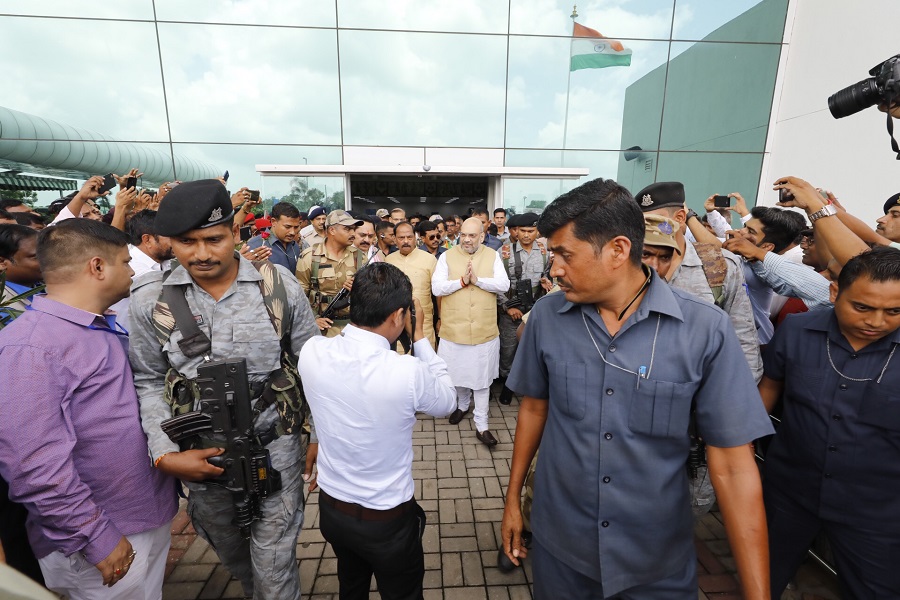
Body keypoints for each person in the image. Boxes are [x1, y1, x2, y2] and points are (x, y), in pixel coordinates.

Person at [501, 178, 773, 600]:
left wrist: (758, 593)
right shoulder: (547, 318)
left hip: (656, 563)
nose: (554, 268)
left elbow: (735, 467)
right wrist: (513, 499)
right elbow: (535, 409)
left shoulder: (704, 329)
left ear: (617, 250)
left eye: (564, 254)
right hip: (562, 554)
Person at [128, 180, 320, 600]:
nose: (201, 254)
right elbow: (146, 379)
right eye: (186, 242)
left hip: (275, 451)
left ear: (235, 233)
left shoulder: (278, 287)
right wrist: (165, 452)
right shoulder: (149, 302)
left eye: (213, 239)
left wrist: (320, 437)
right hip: (202, 459)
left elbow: (315, 366)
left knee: (273, 564)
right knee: (234, 556)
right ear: (167, 242)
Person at [0, 219, 178, 599]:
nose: (133, 271)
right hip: (104, 534)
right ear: (97, 267)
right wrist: (95, 535)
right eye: (126, 262)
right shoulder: (31, 348)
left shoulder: (95, 327)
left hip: (137, 516)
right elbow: (32, 462)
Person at [299, 263, 456, 600]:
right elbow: (448, 402)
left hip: (332, 511)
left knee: (351, 584)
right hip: (387, 522)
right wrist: (421, 340)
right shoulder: (406, 371)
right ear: (399, 314)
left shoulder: (312, 352)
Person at [758, 247, 900, 598]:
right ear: (835, 292)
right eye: (862, 307)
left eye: (894, 311)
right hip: (789, 490)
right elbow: (771, 384)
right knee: (761, 578)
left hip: (876, 508)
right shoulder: (796, 329)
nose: (876, 322)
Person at [637, 181, 763, 381]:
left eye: (654, 221)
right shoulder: (630, 264)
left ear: (679, 218)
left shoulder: (719, 264)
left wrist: (737, 398)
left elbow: (743, 337)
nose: (647, 229)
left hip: (701, 391)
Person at [432, 217, 510, 446]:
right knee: (456, 374)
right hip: (454, 328)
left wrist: (478, 281)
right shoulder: (446, 256)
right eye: (463, 235)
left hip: (483, 330)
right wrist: (462, 282)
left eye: (472, 235)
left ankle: (482, 425)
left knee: (482, 380)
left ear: (482, 236)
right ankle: (462, 405)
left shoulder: (492, 255)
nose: (466, 239)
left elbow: (503, 285)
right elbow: (437, 287)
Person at [497, 213, 551, 405]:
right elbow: (497, 285)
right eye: (523, 231)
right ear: (516, 231)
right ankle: (507, 383)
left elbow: (548, 275)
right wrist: (506, 307)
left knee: (532, 348)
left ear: (537, 231)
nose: (527, 235)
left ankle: (521, 384)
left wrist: (547, 282)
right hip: (512, 309)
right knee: (508, 350)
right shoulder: (503, 252)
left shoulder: (545, 252)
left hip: (535, 309)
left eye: (531, 231)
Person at [297, 209, 365, 337]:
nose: (353, 233)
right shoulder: (310, 257)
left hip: (354, 328)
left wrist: (359, 288)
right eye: (347, 229)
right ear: (332, 230)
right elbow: (300, 295)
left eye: (353, 229)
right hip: (323, 331)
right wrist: (313, 319)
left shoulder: (360, 257)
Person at [107, 210, 174, 331]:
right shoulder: (132, 268)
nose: (177, 241)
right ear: (147, 240)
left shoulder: (166, 261)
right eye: (170, 236)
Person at [386, 222, 439, 348]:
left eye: (409, 237)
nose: (406, 241)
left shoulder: (430, 259)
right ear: (394, 239)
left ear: (415, 237)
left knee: (426, 359)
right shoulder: (388, 260)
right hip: (395, 324)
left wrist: (441, 319)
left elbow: (438, 293)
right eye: (401, 238)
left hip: (424, 323)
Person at [249, 202, 305, 273]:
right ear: (273, 222)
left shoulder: (294, 246)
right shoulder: (255, 246)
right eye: (287, 227)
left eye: (296, 227)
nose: (293, 232)